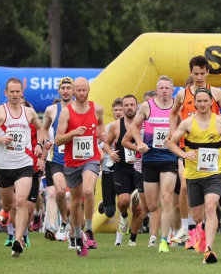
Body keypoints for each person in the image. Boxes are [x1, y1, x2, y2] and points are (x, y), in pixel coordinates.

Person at [166, 88, 221, 263]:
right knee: (198, 217)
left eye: (206, 101)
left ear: (211, 102)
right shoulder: (187, 123)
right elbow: (170, 143)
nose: (203, 104)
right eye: (200, 101)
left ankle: (209, 249)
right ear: (195, 103)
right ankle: (201, 234)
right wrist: (183, 155)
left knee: (211, 206)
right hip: (193, 175)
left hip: (214, 173)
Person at [0, 78, 46, 258]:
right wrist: (0, 139)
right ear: (6, 93)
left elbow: (41, 128)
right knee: (9, 203)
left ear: (22, 92)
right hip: (3, 166)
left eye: (18, 91)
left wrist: (39, 144)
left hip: (24, 163)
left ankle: (18, 240)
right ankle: (6, 211)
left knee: (21, 201)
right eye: (12, 92)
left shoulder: (29, 112)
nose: (15, 95)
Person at [125, 76, 180, 252]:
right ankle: (157, 235)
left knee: (167, 198)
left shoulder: (176, 108)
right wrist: (140, 142)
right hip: (149, 159)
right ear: (157, 90)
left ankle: (163, 240)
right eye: (161, 88)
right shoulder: (147, 106)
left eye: (167, 88)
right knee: (151, 205)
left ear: (172, 91)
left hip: (169, 159)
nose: (164, 91)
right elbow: (133, 127)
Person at [53, 77, 104, 257]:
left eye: (84, 90)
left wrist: (101, 135)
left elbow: (100, 125)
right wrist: (73, 133)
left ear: (89, 90)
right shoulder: (66, 113)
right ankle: (77, 234)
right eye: (78, 91)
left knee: (88, 192)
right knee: (75, 202)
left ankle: (88, 230)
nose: (81, 94)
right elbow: (58, 140)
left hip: (91, 158)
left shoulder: (97, 108)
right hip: (71, 161)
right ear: (74, 91)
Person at [103, 94, 146, 247]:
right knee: (123, 201)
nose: (129, 108)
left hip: (140, 169)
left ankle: (132, 240)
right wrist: (111, 152)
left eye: (131, 105)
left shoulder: (144, 124)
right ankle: (123, 214)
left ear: (137, 106)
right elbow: (106, 144)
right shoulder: (116, 125)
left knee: (139, 208)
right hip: (121, 168)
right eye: (126, 105)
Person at [42, 76, 74, 241]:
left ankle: (74, 228)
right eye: (63, 88)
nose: (66, 91)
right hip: (56, 159)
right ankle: (60, 223)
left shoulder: (81, 108)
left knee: (76, 198)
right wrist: (47, 141)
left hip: (76, 159)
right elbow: (44, 128)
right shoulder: (51, 110)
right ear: (59, 91)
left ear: (73, 91)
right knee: (58, 192)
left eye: (69, 88)